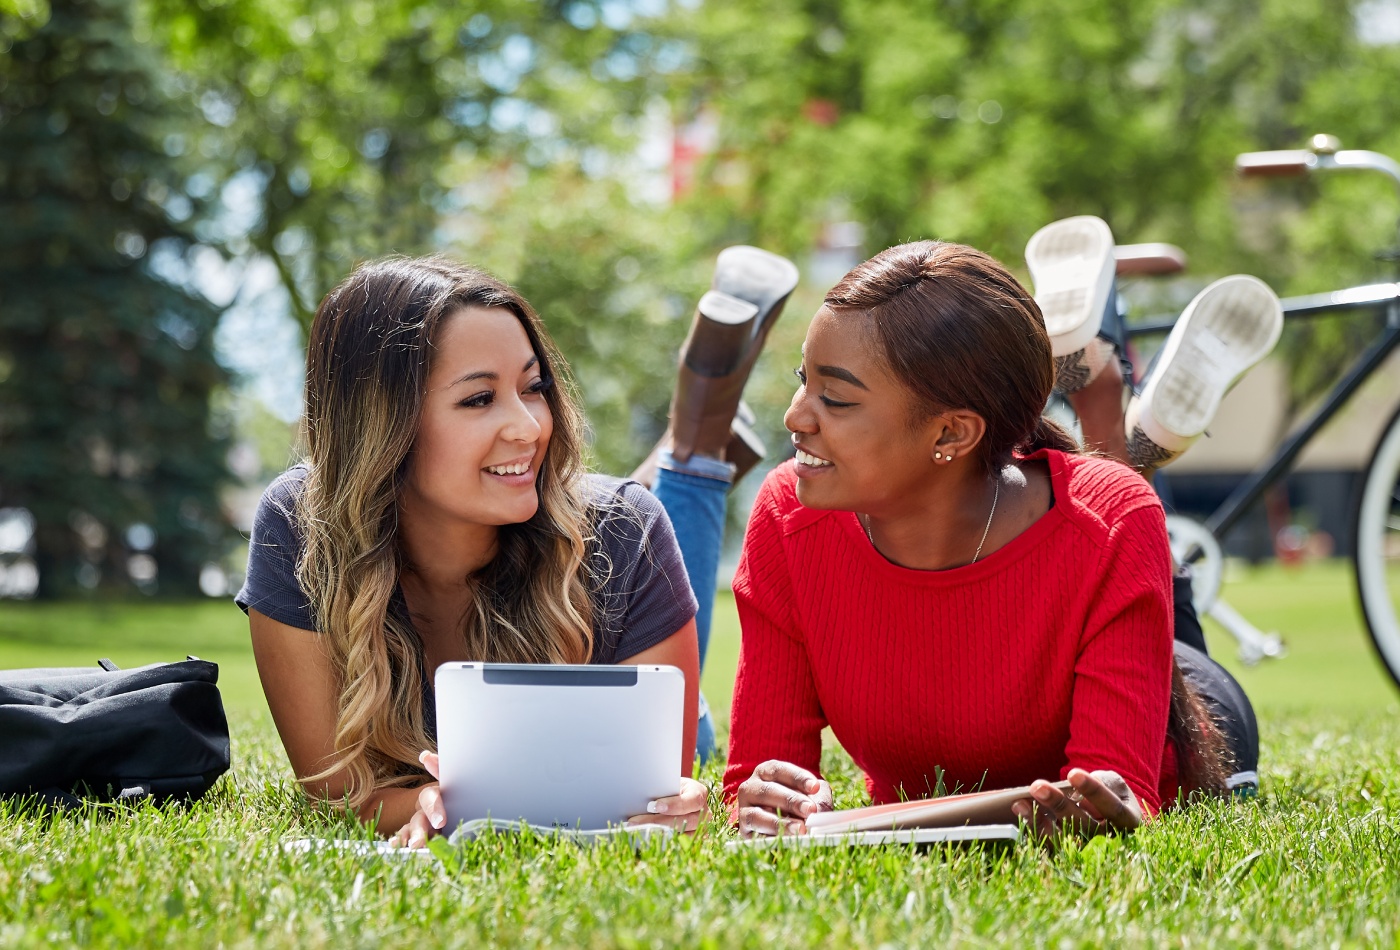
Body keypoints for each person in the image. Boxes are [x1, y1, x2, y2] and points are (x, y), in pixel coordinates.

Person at [725, 230, 1277, 838]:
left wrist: (848, 826)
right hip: (1083, 553)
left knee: (1137, 540)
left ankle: (1107, 404)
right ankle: (1102, 396)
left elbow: (1109, 793)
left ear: (951, 435)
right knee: (1122, 517)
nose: (795, 416)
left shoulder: (1113, 519)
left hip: (1194, 706)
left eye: (834, 399)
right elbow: (759, 784)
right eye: (803, 380)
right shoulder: (788, 513)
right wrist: (764, 800)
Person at [235, 254, 790, 846]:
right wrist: (433, 804)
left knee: (631, 522)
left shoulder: (625, 532)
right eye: (479, 399)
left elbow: (655, 795)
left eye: (534, 387)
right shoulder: (303, 524)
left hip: (609, 572)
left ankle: (698, 431)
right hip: (566, 521)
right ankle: (682, 442)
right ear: (380, 423)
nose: (529, 426)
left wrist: (668, 804)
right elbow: (334, 794)